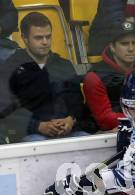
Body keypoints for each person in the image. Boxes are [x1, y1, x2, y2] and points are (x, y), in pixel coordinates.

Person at [0, 12, 88, 142]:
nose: (45, 42)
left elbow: (77, 102)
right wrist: (37, 126)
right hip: (30, 135)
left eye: (48, 36)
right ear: (24, 38)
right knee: (37, 142)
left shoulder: (64, 65)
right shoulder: (10, 68)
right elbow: (6, 109)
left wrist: (71, 119)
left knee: (85, 139)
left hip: (69, 132)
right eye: (38, 38)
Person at [83, 21, 135, 131]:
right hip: (108, 134)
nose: (131, 48)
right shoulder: (95, 76)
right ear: (112, 47)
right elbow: (105, 119)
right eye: (124, 44)